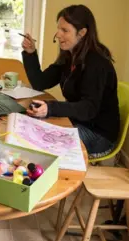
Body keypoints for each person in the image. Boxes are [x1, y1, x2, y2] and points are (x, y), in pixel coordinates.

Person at [22, 4, 120, 158]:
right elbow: (40, 82)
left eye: (65, 30)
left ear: (82, 32)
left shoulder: (97, 63)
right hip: (79, 122)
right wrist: (30, 54)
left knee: (44, 143)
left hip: (99, 134)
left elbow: (89, 108)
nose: (58, 35)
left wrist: (51, 108)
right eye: (58, 29)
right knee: (35, 130)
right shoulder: (69, 56)